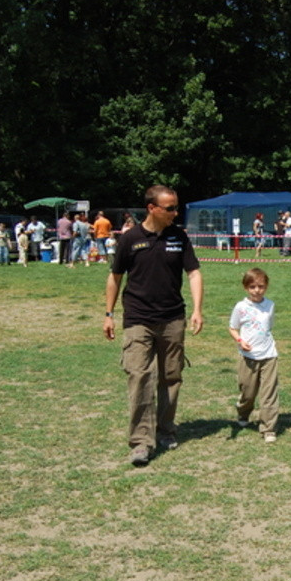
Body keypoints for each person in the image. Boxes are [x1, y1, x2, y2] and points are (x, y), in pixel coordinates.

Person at [103, 184, 203, 466]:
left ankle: (165, 430)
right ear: (152, 208)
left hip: (172, 318)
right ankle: (140, 442)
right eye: (170, 208)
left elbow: (194, 273)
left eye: (176, 207)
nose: (175, 213)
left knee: (171, 376)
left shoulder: (179, 237)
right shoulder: (130, 239)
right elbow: (115, 277)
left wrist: (197, 310)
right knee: (139, 376)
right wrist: (109, 314)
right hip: (138, 319)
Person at [229, 267, 279, 443]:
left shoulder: (270, 305)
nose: (257, 290)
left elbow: (269, 326)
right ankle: (243, 412)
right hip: (248, 357)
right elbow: (233, 328)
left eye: (261, 286)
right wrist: (240, 340)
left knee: (269, 394)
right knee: (248, 392)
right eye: (252, 287)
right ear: (246, 288)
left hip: (269, 355)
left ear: (266, 287)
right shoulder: (241, 307)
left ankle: (268, 428)